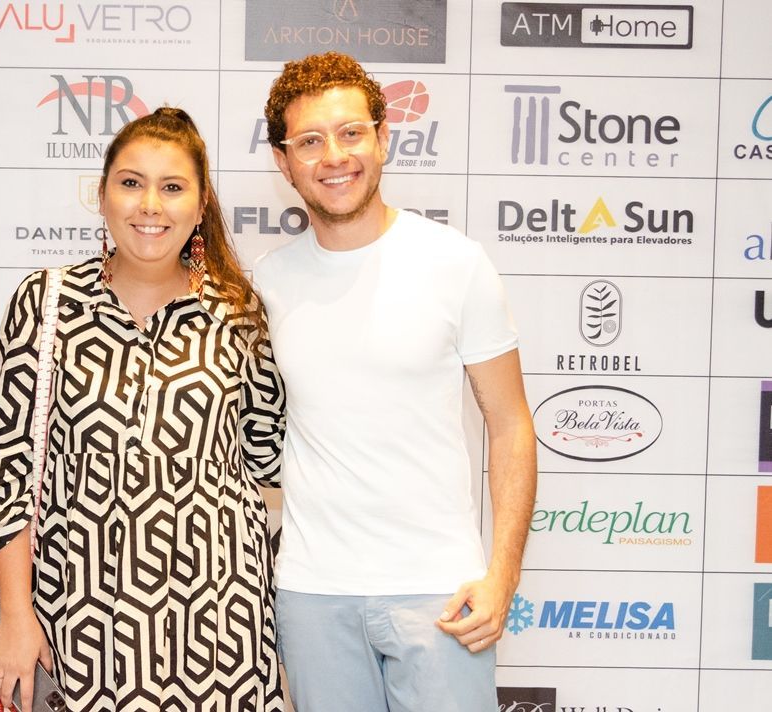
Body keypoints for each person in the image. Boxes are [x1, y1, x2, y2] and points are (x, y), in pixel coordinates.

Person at [0, 107, 287, 712]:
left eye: (172, 187)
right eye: (131, 182)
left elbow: (267, 457)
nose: (150, 205)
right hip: (80, 623)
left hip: (223, 628)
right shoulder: (45, 303)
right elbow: (4, 475)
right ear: (102, 194)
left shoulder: (242, 313)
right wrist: (17, 615)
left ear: (200, 208)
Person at [253, 52, 537, 712]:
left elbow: (511, 424)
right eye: (310, 141)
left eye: (350, 133)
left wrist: (502, 577)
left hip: (439, 592)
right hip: (312, 591)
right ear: (283, 160)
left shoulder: (455, 264)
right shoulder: (267, 283)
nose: (333, 156)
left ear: (383, 138)